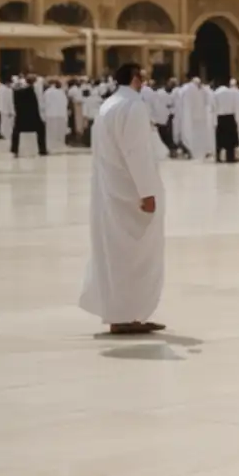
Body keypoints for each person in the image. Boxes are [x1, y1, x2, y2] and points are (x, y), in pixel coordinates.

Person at [79, 64, 166, 336]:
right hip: (131, 195)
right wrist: (147, 192)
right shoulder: (134, 106)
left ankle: (126, 314)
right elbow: (136, 152)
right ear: (134, 78)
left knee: (117, 253)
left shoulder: (108, 106)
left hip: (111, 192)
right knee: (134, 255)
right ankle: (127, 315)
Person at [10, 77, 46, 155]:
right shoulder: (31, 92)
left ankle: (14, 149)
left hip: (20, 118)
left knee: (16, 132)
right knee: (41, 130)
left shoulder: (16, 94)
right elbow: (35, 105)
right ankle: (42, 149)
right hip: (33, 118)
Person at [211, 80, 239, 163]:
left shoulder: (216, 93)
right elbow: (235, 104)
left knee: (220, 138)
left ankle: (218, 157)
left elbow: (213, 106)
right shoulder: (232, 93)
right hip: (230, 116)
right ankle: (230, 157)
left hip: (220, 116)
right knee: (230, 139)